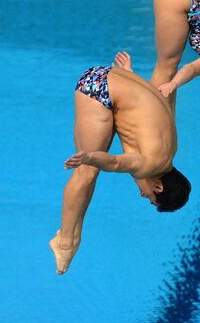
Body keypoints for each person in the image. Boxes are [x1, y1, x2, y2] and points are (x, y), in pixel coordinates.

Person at [49, 63, 191, 275]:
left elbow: (157, 106)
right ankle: (66, 241)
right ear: (159, 187)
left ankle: (75, 231)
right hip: (98, 89)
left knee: (91, 172)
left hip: (114, 78)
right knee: (86, 172)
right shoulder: (149, 165)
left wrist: (128, 78)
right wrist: (88, 157)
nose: (142, 193)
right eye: (148, 196)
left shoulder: (170, 151)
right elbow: (114, 163)